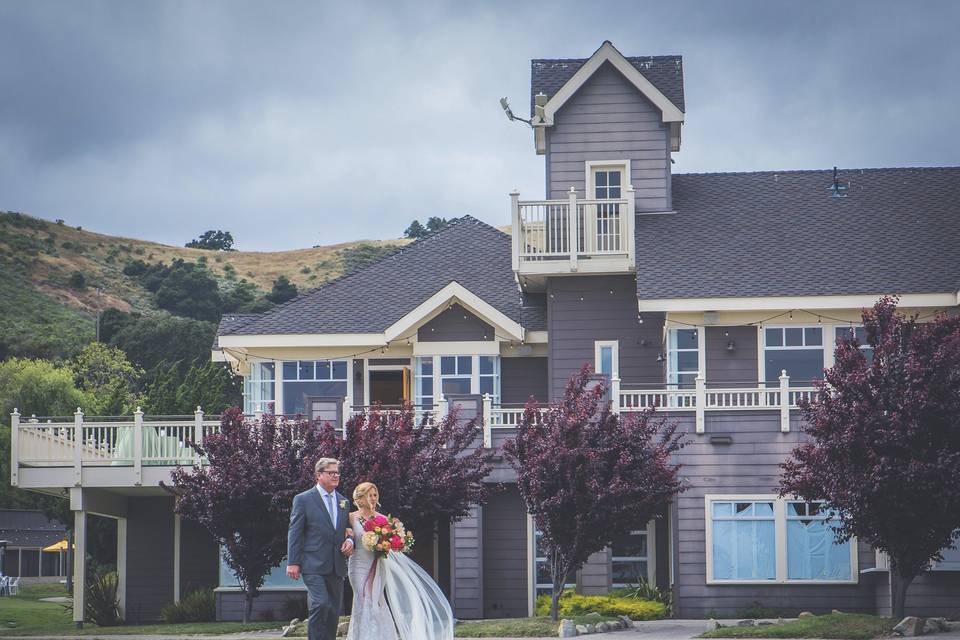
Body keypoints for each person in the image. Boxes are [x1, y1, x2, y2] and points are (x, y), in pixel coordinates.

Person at [347, 482, 453, 640]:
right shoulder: (350, 517)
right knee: (364, 599)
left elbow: (393, 542)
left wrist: (392, 544)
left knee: (377, 601)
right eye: (370, 495)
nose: (374, 498)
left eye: (375, 495)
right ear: (361, 498)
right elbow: (347, 535)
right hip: (358, 564)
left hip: (378, 564)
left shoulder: (383, 519)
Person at [287, 458, 354, 640]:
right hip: (312, 564)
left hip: (337, 564)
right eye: (331, 472)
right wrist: (293, 562)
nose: (336, 476)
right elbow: (295, 532)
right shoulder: (303, 499)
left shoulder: (344, 501)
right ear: (318, 475)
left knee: (333, 611)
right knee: (320, 603)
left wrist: (350, 541)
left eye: (337, 472)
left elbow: (346, 530)